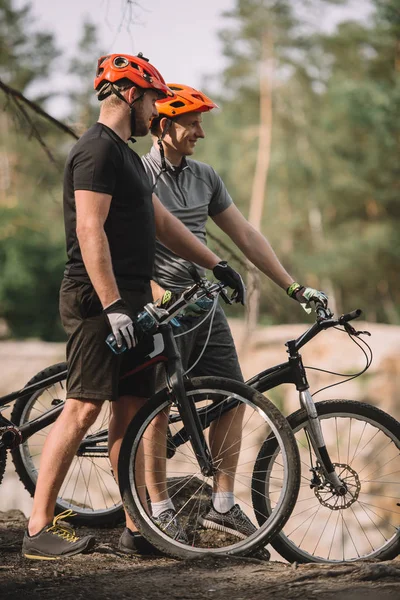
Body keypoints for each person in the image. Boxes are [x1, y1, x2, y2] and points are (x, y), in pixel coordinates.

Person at [22, 57, 246, 560]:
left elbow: (163, 224)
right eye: (151, 99)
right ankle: (37, 528)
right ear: (128, 95)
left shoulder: (123, 155)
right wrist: (115, 305)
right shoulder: (96, 151)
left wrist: (217, 264)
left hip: (130, 301)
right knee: (82, 407)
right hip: (98, 300)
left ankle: (136, 528)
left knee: (131, 415)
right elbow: (88, 229)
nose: (155, 109)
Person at [141, 84, 328, 549]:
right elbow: (122, 244)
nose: (201, 132)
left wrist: (292, 285)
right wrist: (152, 291)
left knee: (233, 396)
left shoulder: (205, 176)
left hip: (204, 307)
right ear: (164, 126)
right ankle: (161, 509)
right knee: (158, 407)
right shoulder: (138, 174)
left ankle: (223, 505)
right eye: (193, 123)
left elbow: (244, 233)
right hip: (157, 307)